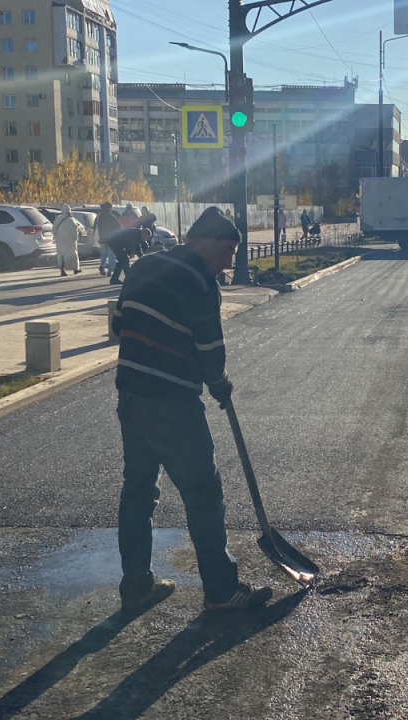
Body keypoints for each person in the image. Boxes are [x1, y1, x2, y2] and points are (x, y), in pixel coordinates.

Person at [111, 206, 272, 613]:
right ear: (200, 243)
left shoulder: (144, 266)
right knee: (203, 494)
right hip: (172, 402)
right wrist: (220, 386)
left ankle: (136, 585)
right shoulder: (200, 282)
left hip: (130, 395)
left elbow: (118, 323)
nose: (229, 262)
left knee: (138, 492)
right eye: (225, 252)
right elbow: (209, 351)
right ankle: (221, 590)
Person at [55, 205, 85, 277]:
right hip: (69, 240)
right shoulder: (70, 220)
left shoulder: (58, 219)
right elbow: (74, 230)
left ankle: (62, 270)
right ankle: (75, 269)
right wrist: (76, 238)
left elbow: (54, 229)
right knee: (73, 254)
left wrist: (56, 237)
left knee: (61, 254)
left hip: (59, 240)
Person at [96, 201, 123, 277]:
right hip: (111, 239)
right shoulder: (111, 217)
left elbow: (97, 227)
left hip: (102, 238)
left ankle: (102, 266)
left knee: (103, 254)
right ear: (109, 208)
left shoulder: (99, 216)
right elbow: (118, 227)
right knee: (111, 255)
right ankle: (110, 271)